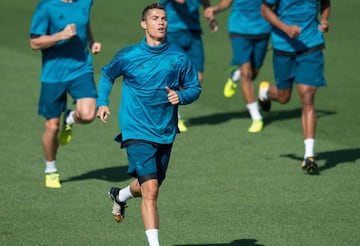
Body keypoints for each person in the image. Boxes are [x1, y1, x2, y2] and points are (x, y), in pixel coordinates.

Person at [96, 3, 201, 246]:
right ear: (144, 24)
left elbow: (195, 87)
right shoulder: (129, 56)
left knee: (147, 186)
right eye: (155, 18)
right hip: (136, 130)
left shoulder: (178, 57)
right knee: (151, 191)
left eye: (164, 18)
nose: (161, 22)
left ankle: (120, 195)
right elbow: (107, 74)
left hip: (164, 131)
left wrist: (181, 96)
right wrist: (102, 102)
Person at [29, 0, 101, 188]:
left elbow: (84, 20)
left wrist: (91, 41)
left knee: (88, 115)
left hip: (81, 68)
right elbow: (35, 42)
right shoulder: (46, 7)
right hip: (53, 74)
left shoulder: (85, 2)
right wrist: (60, 35)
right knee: (52, 127)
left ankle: (70, 118)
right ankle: (51, 169)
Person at [260, 0, 331, 174]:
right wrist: (286, 28)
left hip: (311, 45)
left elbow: (326, 3)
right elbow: (264, 9)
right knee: (284, 97)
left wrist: (324, 20)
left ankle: (309, 155)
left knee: (307, 97)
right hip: (283, 45)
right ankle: (265, 92)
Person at [204, 0, 272, 133]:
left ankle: (234, 76)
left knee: (253, 73)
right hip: (239, 29)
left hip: (263, 29)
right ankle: (256, 116)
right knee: (246, 73)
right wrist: (215, 9)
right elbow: (226, 2)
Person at [160, 0, 218, 132]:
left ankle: (171, 106)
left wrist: (210, 15)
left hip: (193, 31)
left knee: (197, 77)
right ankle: (175, 116)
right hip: (173, 32)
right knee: (173, 76)